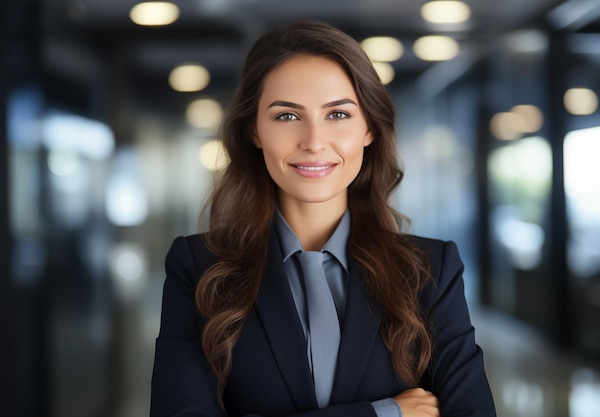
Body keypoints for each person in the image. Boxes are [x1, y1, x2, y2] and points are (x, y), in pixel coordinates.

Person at [150, 21, 496, 417]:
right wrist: (383, 413)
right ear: (253, 131)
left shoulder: (431, 270)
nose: (314, 141)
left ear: (369, 128)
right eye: (286, 116)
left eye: (338, 114)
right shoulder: (198, 267)